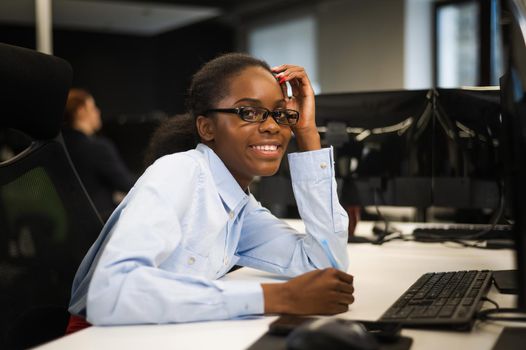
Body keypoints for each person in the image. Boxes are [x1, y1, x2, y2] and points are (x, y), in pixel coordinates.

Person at [66, 53, 353, 333]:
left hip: (160, 334)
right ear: (207, 127)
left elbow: (325, 266)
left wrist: (308, 134)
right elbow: (112, 291)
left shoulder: (239, 207)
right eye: (249, 112)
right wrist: (278, 297)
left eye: (280, 114)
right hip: (99, 337)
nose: (271, 126)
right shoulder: (179, 172)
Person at [62, 89, 136, 220]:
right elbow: (129, 186)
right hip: (101, 224)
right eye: (93, 107)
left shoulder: (60, 149)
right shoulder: (98, 148)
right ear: (81, 111)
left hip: (73, 224)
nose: (98, 112)